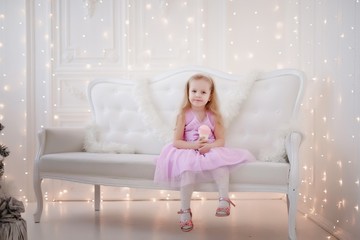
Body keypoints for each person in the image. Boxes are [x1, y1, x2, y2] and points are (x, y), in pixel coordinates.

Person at [154, 73, 255, 232]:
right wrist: (193, 145)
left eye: (203, 92)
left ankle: (223, 199)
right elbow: (176, 142)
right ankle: (185, 211)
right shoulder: (183, 115)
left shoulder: (214, 116)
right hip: (188, 149)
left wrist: (210, 146)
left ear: (210, 96)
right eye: (194, 91)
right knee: (187, 171)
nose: (197, 95)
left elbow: (221, 140)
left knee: (220, 164)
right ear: (188, 93)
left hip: (210, 149)